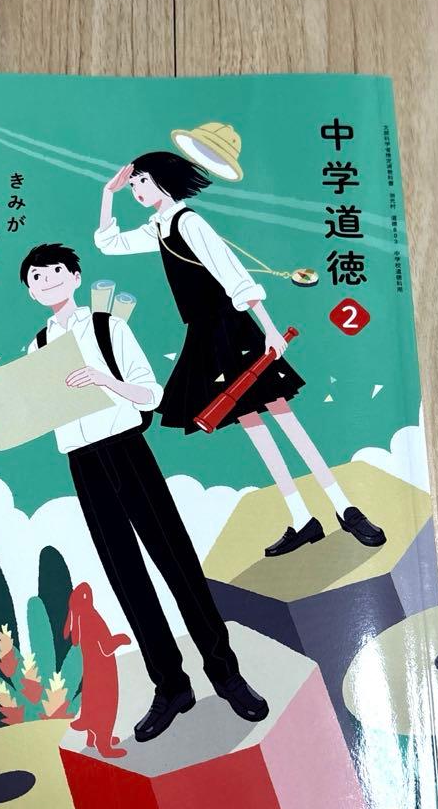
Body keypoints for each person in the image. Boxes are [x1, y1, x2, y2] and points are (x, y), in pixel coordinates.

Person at [0, 243, 269, 743]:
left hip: (127, 449)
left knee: (177, 563)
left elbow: (153, 394)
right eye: (35, 278)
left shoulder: (108, 327)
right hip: (83, 462)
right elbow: (31, 414)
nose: (46, 281)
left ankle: (226, 674)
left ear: (75, 276)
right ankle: (171, 687)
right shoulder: (37, 346)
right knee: (126, 576)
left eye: (54, 272)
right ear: (30, 291)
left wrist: (104, 380)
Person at [94, 152, 386, 555]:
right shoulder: (158, 227)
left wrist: (269, 329)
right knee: (251, 424)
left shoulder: (189, 222)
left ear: (162, 179)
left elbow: (232, 273)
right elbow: (109, 244)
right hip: (204, 335)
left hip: (231, 326)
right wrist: (107, 195)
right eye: (132, 184)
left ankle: (345, 508)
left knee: (283, 418)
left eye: (140, 181)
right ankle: (302, 518)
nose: (135, 190)